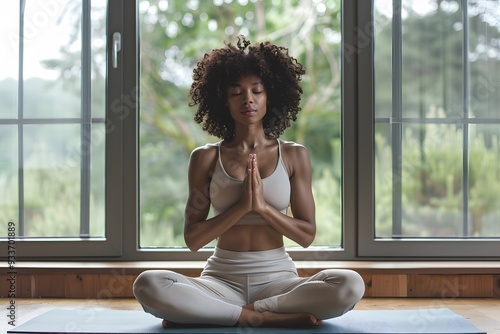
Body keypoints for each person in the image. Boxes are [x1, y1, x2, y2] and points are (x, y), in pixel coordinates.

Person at [133, 36, 365, 328]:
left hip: (279, 282)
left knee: (349, 284)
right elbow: (193, 239)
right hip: (220, 281)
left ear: (271, 96)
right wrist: (242, 207)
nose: (248, 99)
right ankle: (255, 316)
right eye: (236, 92)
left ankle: (233, 312)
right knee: (148, 284)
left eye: (257, 90)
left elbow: (306, 236)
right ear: (222, 99)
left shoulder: (294, 155)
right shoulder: (205, 158)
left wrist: (264, 208)